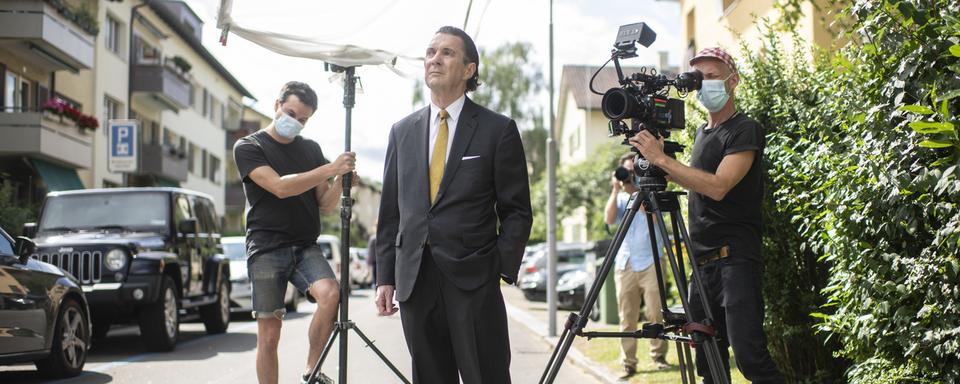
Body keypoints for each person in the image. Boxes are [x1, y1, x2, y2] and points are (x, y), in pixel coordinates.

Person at [374, 26, 533, 384]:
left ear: (468, 69)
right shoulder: (402, 131)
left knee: (486, 375)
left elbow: (517, 211)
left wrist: (498, 268)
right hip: (415, 280)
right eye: (430, 52)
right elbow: (390, 214)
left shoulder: (498, 129)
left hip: (474, 279)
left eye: (446, 52)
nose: (434, 59)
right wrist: (385, 276)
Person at [629, 47, 784, 383]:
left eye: (712, 76)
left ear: (733, 80)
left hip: (734, 261)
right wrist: (658, 173)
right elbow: (693, 180)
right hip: (701, 266)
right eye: (699, 78)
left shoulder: (745, 130)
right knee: (708, 365)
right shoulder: (701, 133)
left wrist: (663, 160)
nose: (704, 85)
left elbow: (718, 186)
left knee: (750, 358)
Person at [233, 81, 357, 384]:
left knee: (331, 294)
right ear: (277, 105)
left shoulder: (311, 149)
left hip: (304, 245)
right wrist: (329, 169)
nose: (296, 122)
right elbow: (279, 187)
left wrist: (343, 183)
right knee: (270, 336)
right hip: (265, 247)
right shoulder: (249, 147)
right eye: (291, 113)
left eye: (303, 119)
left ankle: (311, 370)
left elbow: (325, 204)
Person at [604, 152, 669, 380]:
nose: (630, 176)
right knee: (627, 316)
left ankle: (658, 356)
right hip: (625, 262)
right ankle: (628, 363)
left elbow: (652, 217)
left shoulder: (651, 194)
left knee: (655, 312)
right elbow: (609, 220)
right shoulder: (620, 198)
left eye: (633, 172)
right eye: (626, 172)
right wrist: (615, 189)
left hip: (651, 260)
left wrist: (637, 191)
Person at [367, 219, 377, 288]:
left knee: (376, 282)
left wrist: (368, 265)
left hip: (375, 263)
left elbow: (370, 254)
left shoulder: (373, 238)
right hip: (377, 263)